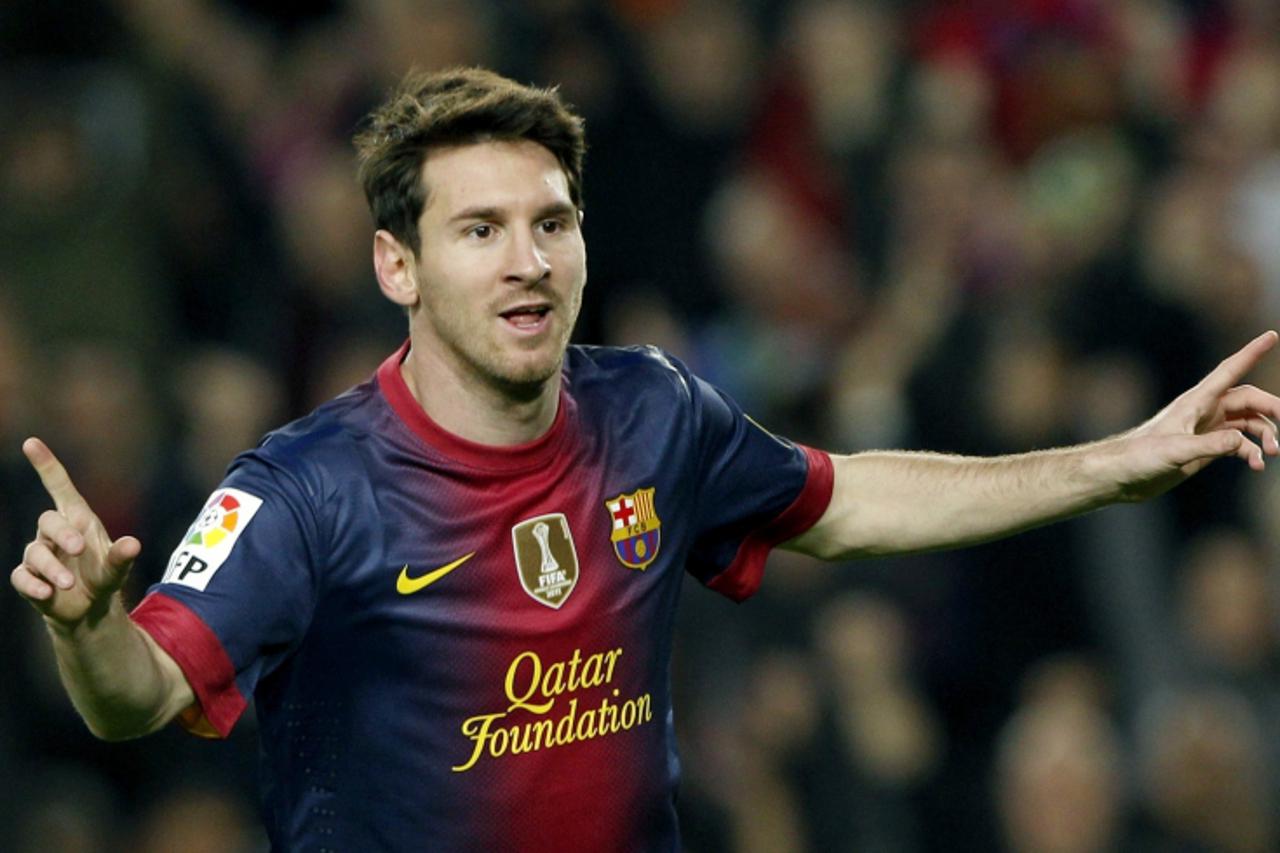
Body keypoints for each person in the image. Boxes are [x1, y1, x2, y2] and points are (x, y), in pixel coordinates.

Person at [9, 67, 1280, 851]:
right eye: (480, 229)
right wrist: (85, 627)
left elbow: (845, 500)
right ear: (396, 265)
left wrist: (1115, 460)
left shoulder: (655, 412)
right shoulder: (301, 489)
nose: (529, 259)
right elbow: (138, 697)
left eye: (551, 222)